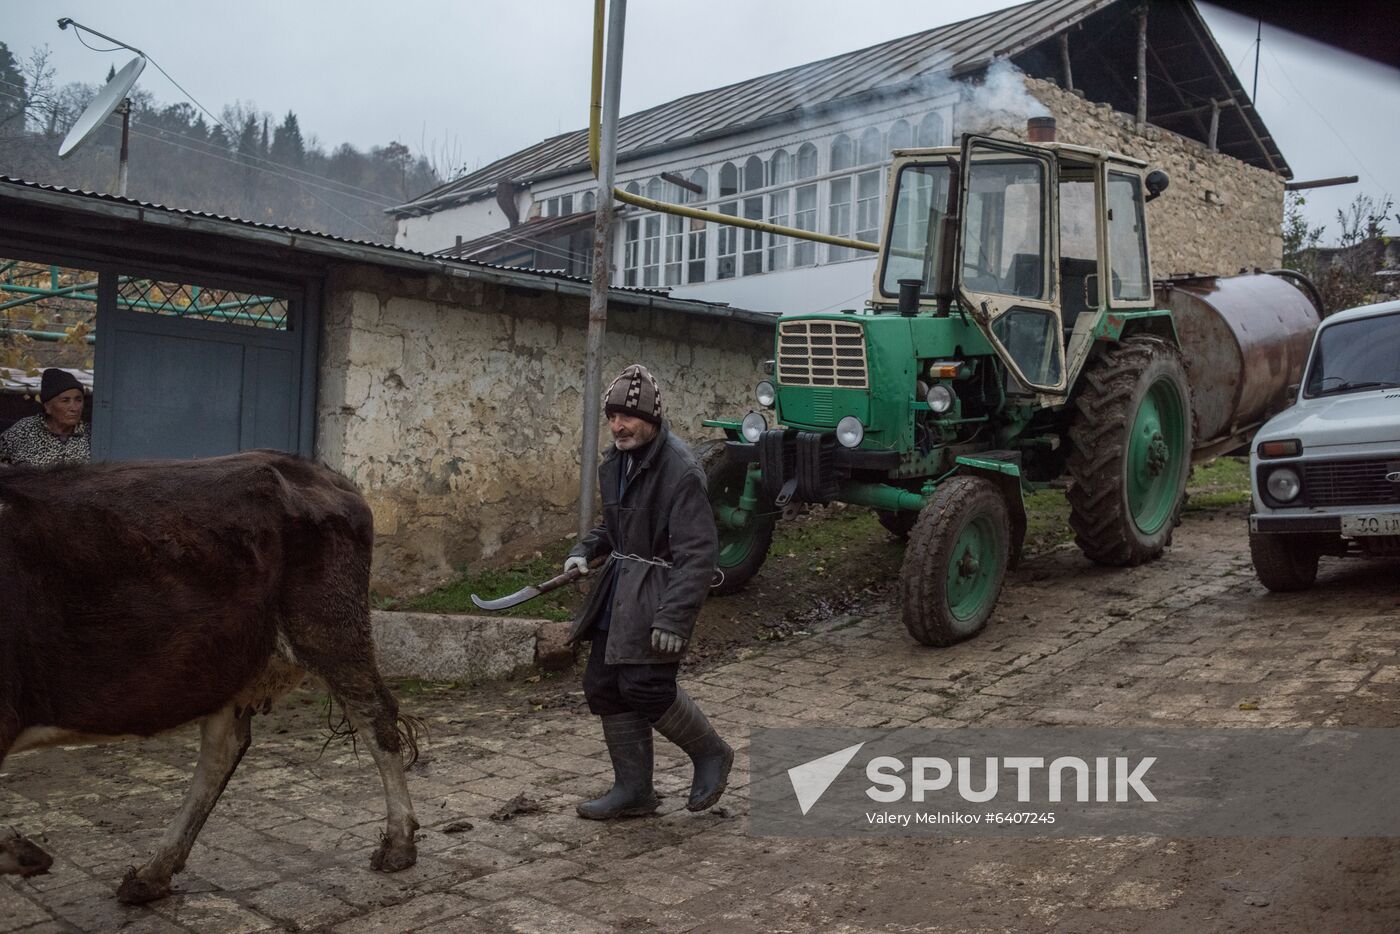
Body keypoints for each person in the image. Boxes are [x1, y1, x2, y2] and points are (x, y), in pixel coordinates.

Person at [565, 363, 730, 819]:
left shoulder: (681, 470)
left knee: (646, 684)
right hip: (619, 587)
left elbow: (698, 553)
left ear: (653, 418)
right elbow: (614, 527)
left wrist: (674, 617)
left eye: (628, 416)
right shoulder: (618, 462)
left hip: (657, 591)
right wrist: (586, 549)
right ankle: (634, 790)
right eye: (612, 417)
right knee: (603, 684)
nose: (618, 426)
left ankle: (712, 753)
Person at [0, 369, 90, 467]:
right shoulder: (23, 430)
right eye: (65, 401)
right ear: (47, 407)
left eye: (78, 400)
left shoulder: (91, 435)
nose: (74, 408)